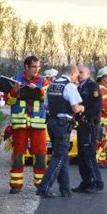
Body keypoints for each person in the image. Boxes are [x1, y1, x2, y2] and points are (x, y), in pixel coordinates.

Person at [36, 65, 84, 198]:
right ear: (73, 74)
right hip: (63, 124)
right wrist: (82, 108)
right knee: (59, 157)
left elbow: (45, 105)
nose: (77, 78)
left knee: (62, 155)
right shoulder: (69, 86)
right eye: (76, 75)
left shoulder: (51, 86)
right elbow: (75, 108)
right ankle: (44, 188)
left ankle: (65, 189)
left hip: (51, 123)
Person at [4, 56, 48, 194]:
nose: (37, 69)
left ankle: (40, 184)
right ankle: (15, 185)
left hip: (38, 124)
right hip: (20, 124)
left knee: (41, 156)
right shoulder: (14, 79)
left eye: (38, 67)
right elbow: (8, 101)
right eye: (34, 67)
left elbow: (47, 99)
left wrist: (38, 90)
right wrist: (14, 91)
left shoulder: (43, 81)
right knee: (18, 156)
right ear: (26, 67)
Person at [72, 65, 104, 194]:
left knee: (89, 155)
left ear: (88, 74)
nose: (79, 74)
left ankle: (97, 182)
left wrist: (86, 116)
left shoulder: (92, 86)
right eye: (77, 72)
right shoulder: (79, 87)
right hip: (81, 125)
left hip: (89, 125)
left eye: (82, 72)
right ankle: (86, 182)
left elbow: (96, 105)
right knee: (81, 156)